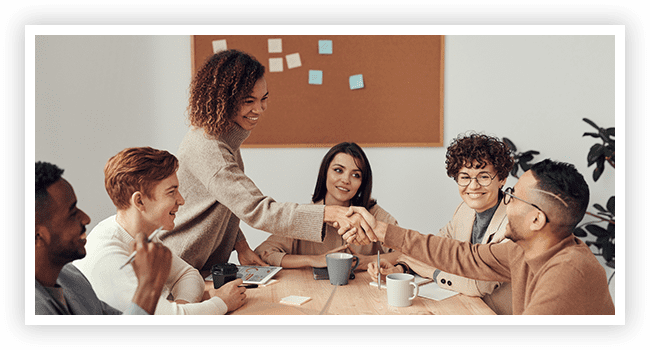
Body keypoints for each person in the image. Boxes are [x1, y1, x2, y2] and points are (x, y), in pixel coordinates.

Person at [159, 49, 373, 276]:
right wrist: (328, 213)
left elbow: (228, 202)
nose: (259, 109)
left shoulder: (222, 140)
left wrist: (240, 245)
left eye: (264, 99)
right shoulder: (211, 149)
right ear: (225, 99)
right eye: (249, 101)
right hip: (176, 267)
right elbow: (258, 209)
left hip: (196, 267)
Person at [348, 159, 615, 314]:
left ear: (536, 219)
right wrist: (383, 231)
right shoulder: (521, 250)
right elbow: (462, 255)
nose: (505, 202)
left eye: (512, 196)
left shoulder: (569, 272)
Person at [75, 147, 246, 315]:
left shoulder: (140, 234)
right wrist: (221, 303)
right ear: (139, 201)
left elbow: (188, 275)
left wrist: (180, 307)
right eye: (171, 192)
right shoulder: (109, 259)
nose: (181, 200)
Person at [367, 133, 514, 314]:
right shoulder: (464, 210)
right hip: (463, 308)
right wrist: (400, 268)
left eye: (483, 177)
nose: (473, 186)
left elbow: (478, 285)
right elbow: (434, 250)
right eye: (465, 177)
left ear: (501, 179)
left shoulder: (514, 221)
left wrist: (433, 272)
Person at [35, 161, 172, 315]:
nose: (86, 218)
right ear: (38, 235)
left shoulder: (72, 278)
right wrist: (149, 286)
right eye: (72, 213)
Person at [255, 142, 400, 270]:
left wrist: (368, 261)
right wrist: (313, 260)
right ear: (325, 173)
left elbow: (409, 254)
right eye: (338, 170)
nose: (345, 180)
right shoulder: (305, 215)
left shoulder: (373, 214)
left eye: (355, 175)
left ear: (363, 183)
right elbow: (263, 253)